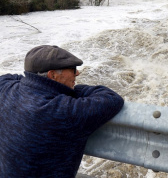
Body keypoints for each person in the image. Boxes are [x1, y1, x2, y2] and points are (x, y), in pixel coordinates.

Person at [0, 45, 124, 178]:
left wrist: (32, 81)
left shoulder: (6, 89)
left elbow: (15, 77)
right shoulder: (62, 111)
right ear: (52, 75)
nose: (77, 73)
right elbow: (111, 99)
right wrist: (70, 90)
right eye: (73, 69)